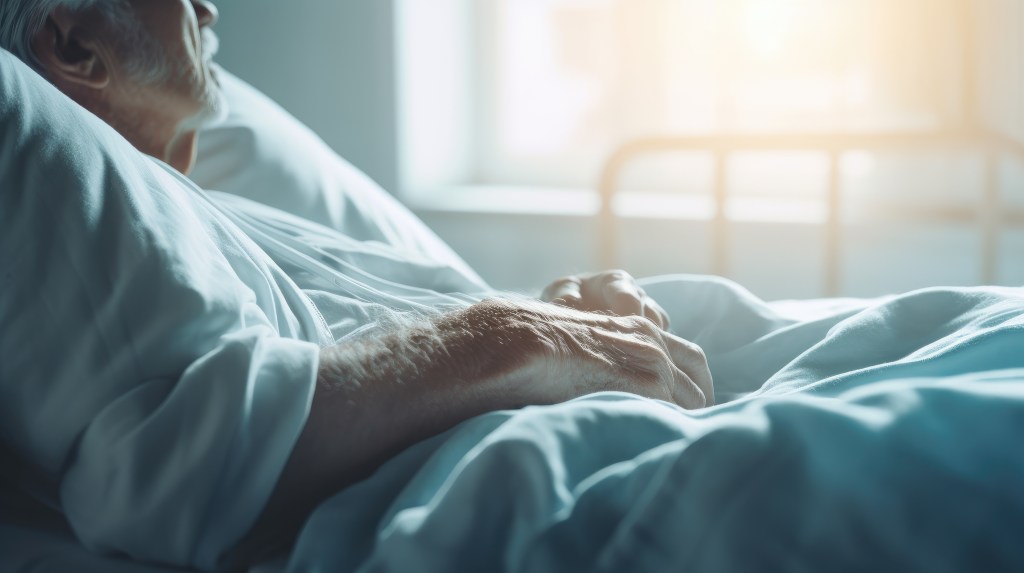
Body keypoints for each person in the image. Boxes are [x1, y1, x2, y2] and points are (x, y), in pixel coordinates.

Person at [0, 0, 713, 565]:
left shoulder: (200, 206)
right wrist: (524, 338)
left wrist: (558, 310)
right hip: (569, 479)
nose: (209, 11)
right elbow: (184, 468)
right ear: (74, 49)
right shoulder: (69, 184)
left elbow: (375, 323)